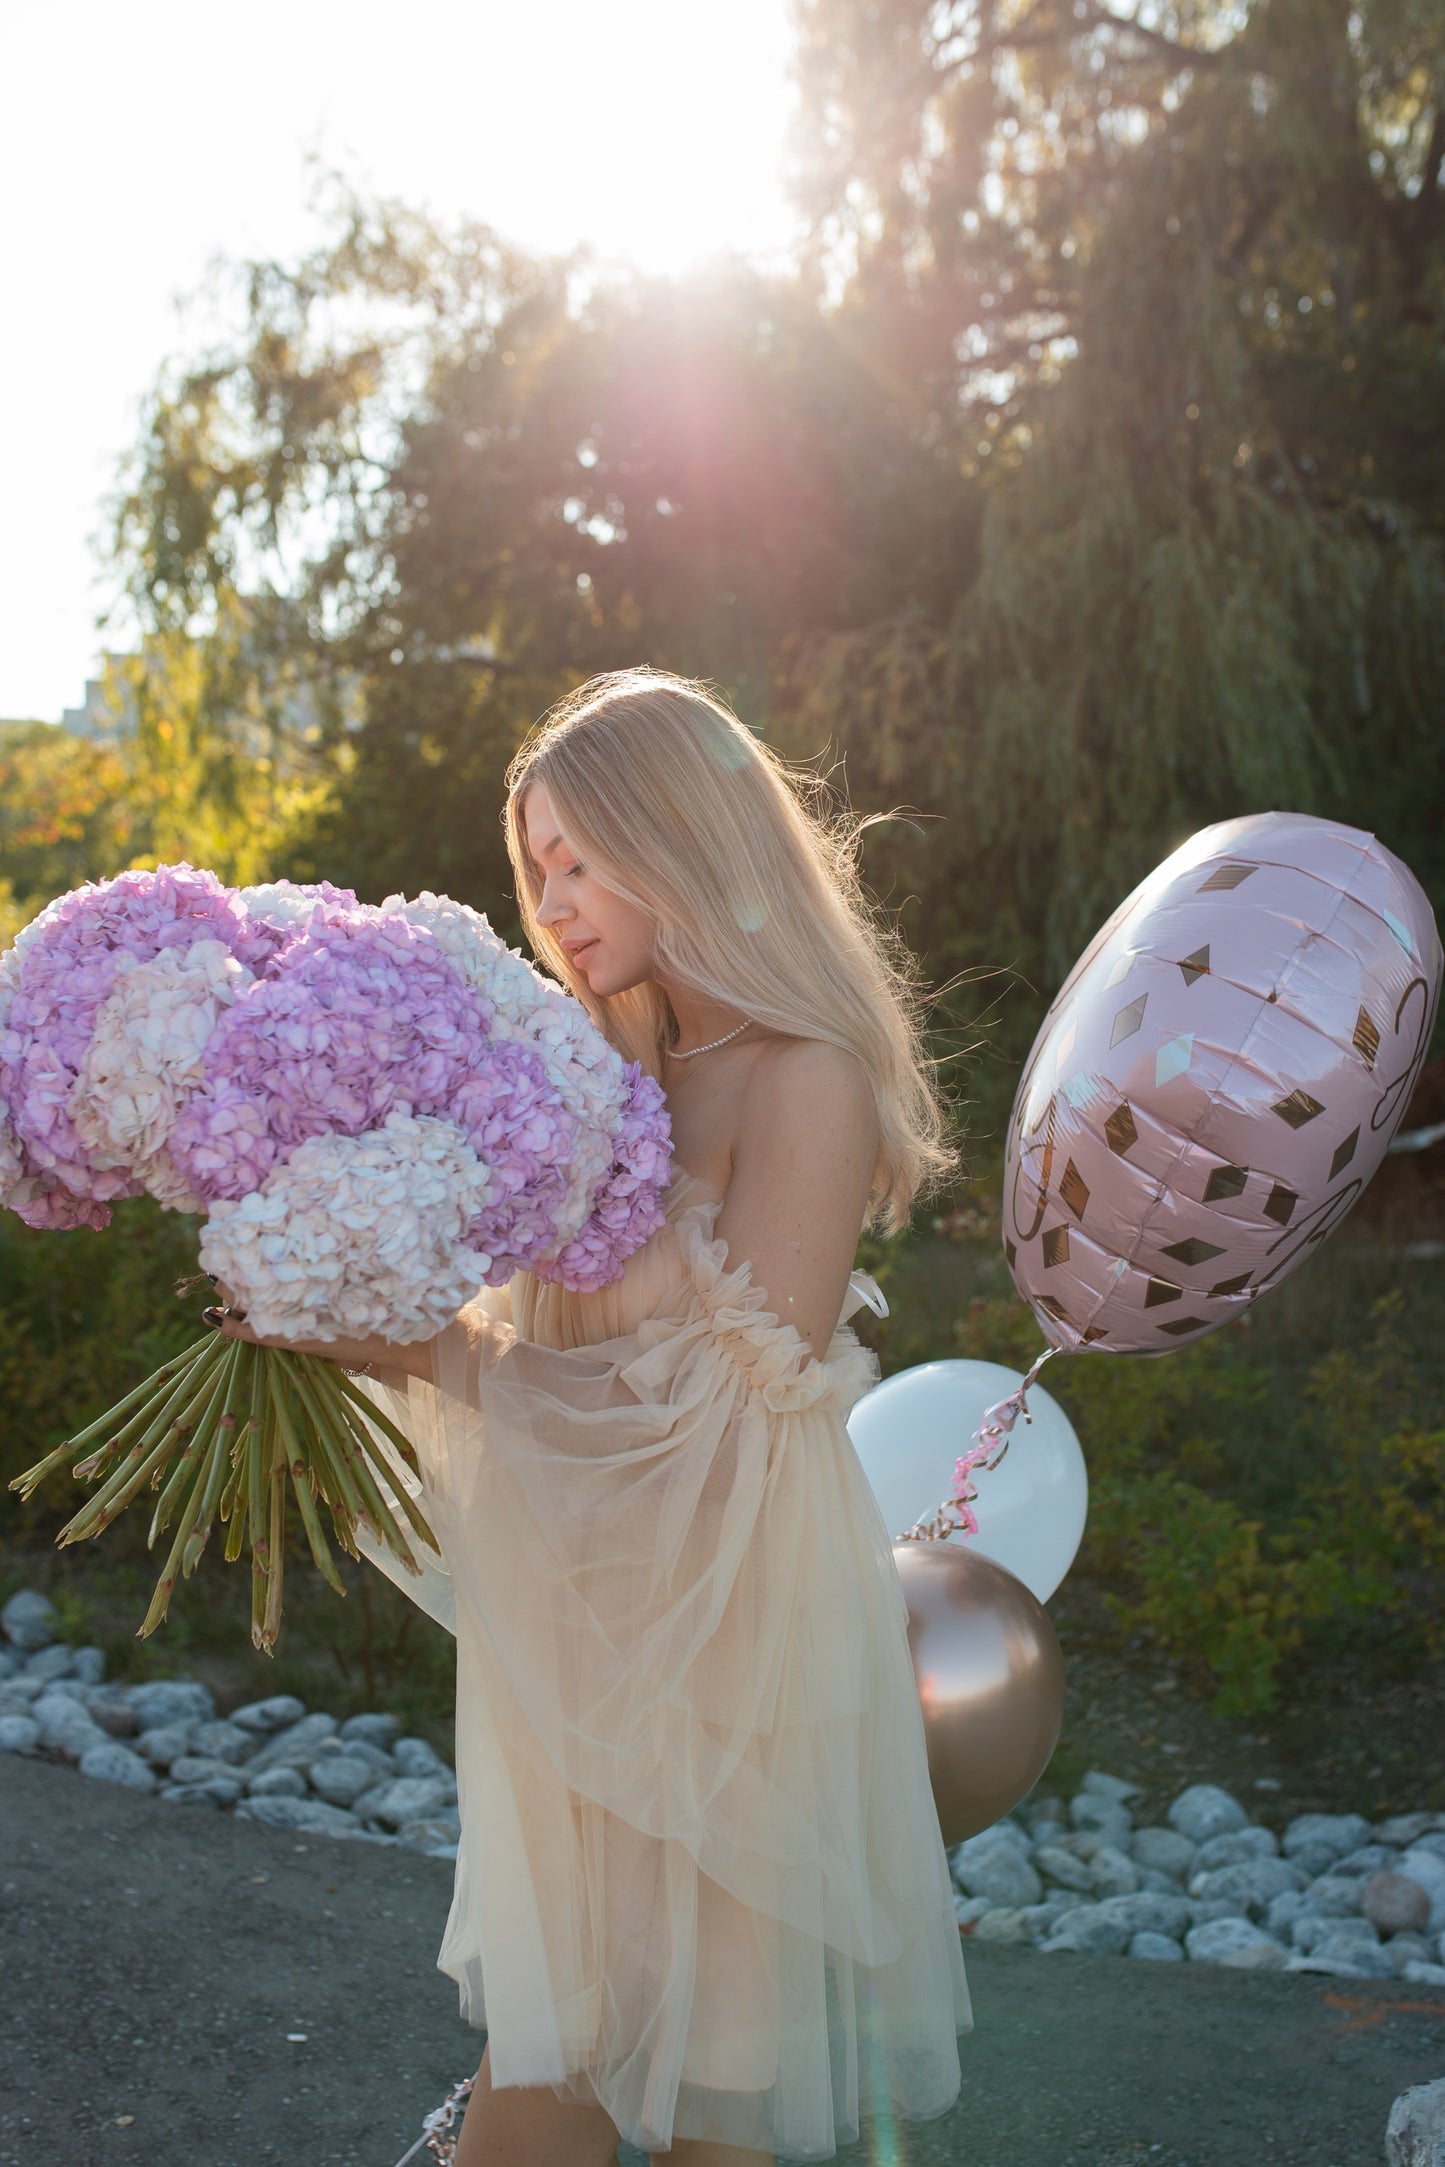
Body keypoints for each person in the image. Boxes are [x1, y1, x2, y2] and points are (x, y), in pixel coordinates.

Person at [216, 667, 973, 2166]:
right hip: (580, 1624)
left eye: (576, 856)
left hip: (727, 1642)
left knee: (712, 2081)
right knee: (553, 2050)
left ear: (684, 833)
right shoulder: (596, 1067)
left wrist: (411, 1352)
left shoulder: (799, 1078)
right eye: (533, 866)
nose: (549, 899)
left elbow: (719, 1417)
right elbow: (542, 1329)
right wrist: (329, 1255)